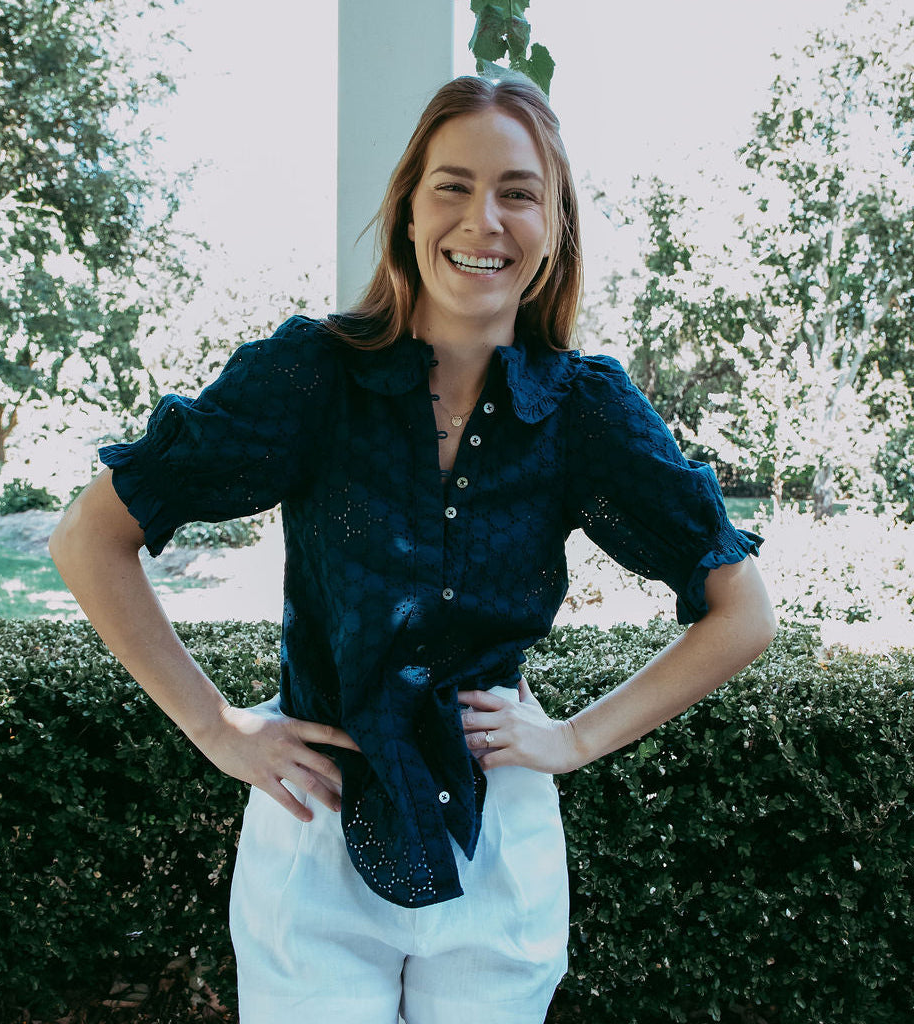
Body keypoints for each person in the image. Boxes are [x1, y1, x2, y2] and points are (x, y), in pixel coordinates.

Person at [50, 74, 776, 1024]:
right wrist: (215, 727)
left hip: (496, 836)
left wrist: (573, 739)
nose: (485, 219)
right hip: (315, 826)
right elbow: (90, 539)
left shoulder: (583, 411)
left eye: (518, 191)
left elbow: (745, 612)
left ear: (553, 226)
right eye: (453, 185)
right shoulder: (313, 376)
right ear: (406, 209)